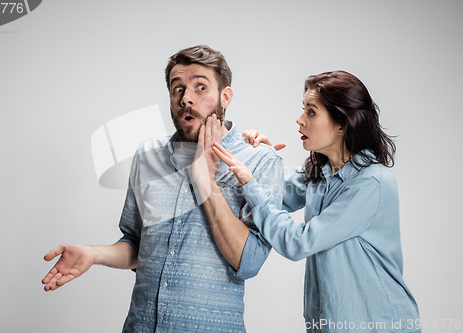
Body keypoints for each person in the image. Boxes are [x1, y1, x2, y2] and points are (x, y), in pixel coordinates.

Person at [41, 45, 284, 332]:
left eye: (201, 87)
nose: (186, 99)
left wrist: (205, 181)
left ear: (225, 96)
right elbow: (137, 244)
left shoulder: (261, 161)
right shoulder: (148, 155)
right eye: (177, 89)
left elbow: (249, 262)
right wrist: (94, 254)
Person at [209, 71, 420, 332]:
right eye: (303, 110)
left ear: (342, 123)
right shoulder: (319, 173)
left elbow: (298, 242)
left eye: (311, 112)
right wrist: (263, 163)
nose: (299, 120)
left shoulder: (372, 182)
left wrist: (252, 183)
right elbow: (271, 198)